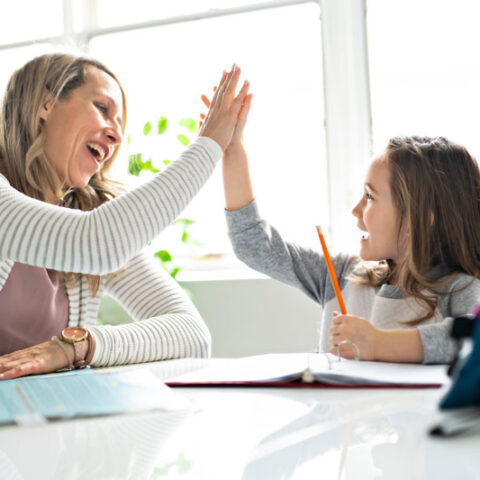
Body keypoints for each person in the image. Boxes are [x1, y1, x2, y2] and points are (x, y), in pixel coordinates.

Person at [0, 53, 250, 379]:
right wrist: (209, 144)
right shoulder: (90, 234)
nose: (116, 136)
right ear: (45, 104)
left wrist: (78, 347)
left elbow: (191, 334)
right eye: (102, 109)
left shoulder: (85, 214)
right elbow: (98, 243)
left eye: (120, 125)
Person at [222, 100, 480, 363]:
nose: (356, 209)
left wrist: (377, 343)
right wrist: (233, 151)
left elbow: (472, 340)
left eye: (369, 196)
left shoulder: (459, 289)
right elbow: (253, 244)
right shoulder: (342, 275)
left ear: (419, 221)